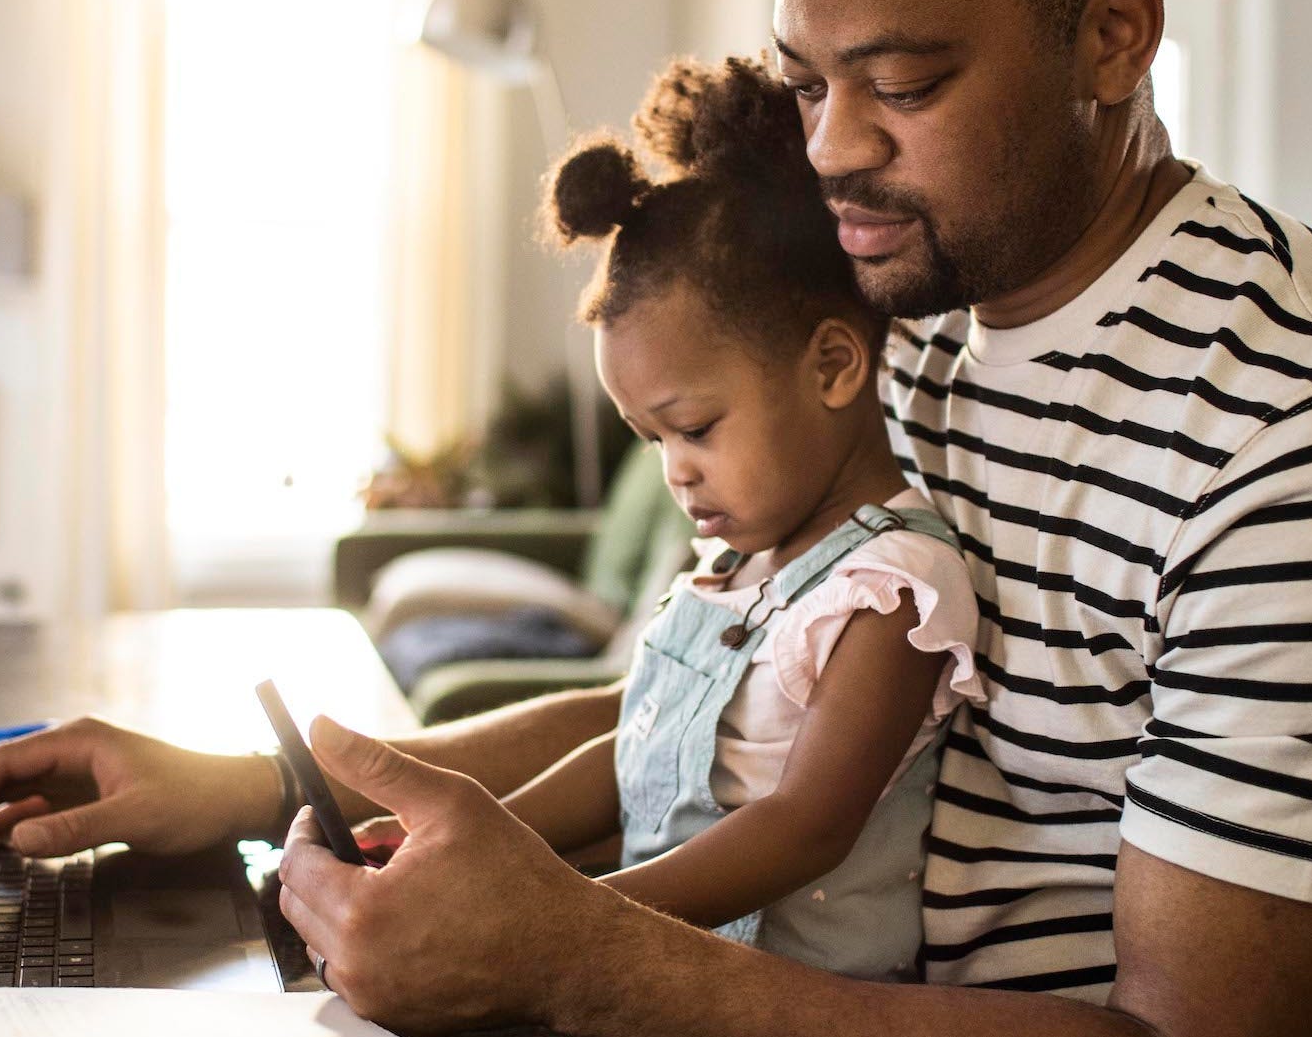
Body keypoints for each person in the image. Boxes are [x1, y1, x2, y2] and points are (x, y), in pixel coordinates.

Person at [0, 0, 1312, 1034]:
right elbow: (726, 698)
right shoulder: (914, 313)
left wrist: (585, 950)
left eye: (902, 85)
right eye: (811, 80)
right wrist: (270, 792)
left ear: (1115, 31)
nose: (829, 149)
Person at [355, 57, 986, 982]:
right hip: (658, 973)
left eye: (693, 427)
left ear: (834, 366)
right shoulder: (735, 564)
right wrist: (468, 842)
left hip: (779, 1001)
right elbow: (634, 753)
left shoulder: (892, 588)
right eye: (649, 437)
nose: (674, 472)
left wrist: (559, 916)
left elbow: (803, 827)